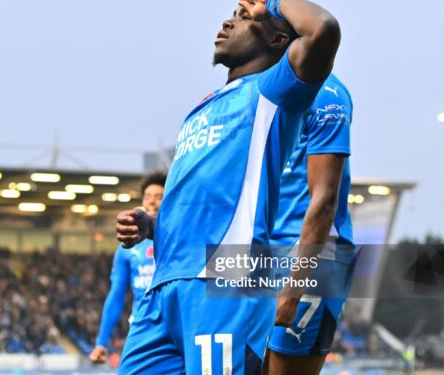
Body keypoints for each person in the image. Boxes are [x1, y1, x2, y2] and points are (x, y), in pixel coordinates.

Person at [115, 0, 341, 373]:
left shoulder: (275, 92)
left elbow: (323, 30)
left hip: (226, 280)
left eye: (245, 18)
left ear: (278, 39)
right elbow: (204, 198)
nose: (228, 20)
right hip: (164, 287)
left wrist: (269, 2)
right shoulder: (200, 109)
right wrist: (152, 225)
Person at [265, 73, 354, 374]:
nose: (230, 23)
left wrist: (293, 289)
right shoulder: (253, 91)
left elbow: (325, 199)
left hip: (305, 255)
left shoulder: (327, 93)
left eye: (247, 20)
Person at [88, 171, 166, 364]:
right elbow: (116, 295)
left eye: (159, 197)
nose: (152, 202)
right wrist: (101, 342)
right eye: (147, 198)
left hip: (178, 324)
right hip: (142, 326)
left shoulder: (181, 238)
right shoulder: (128, 247)